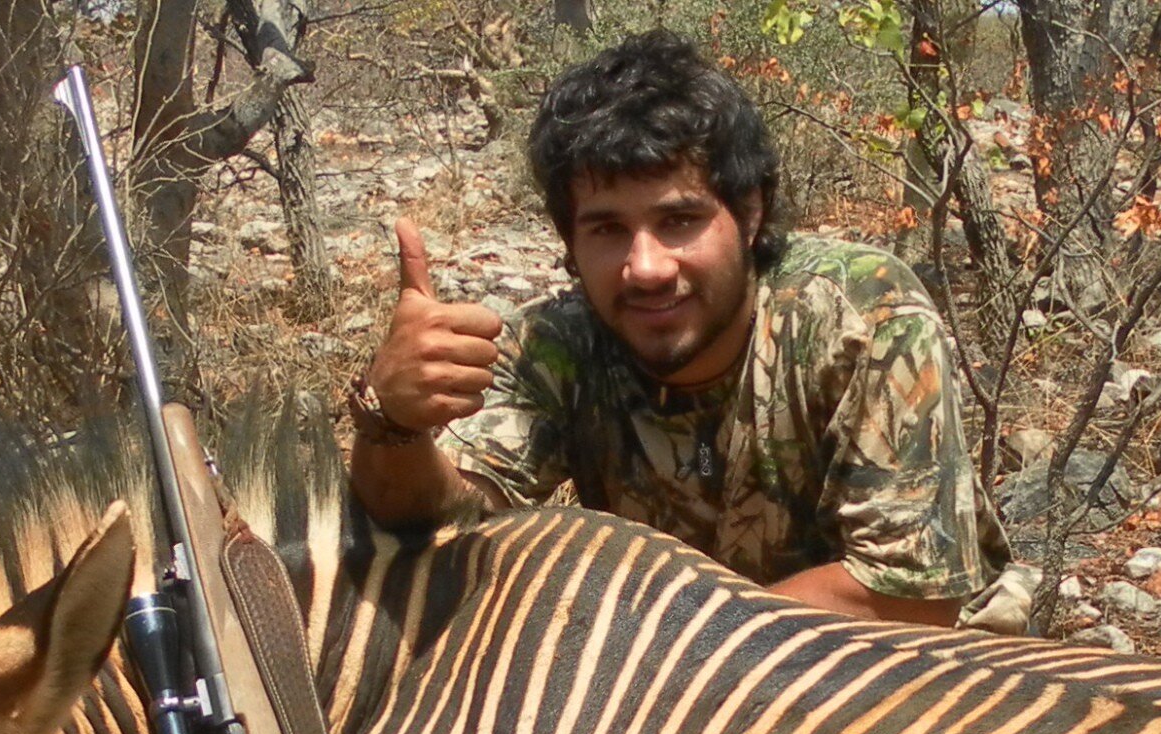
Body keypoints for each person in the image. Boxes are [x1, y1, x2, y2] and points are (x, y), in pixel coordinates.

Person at [346, 29, 1028, 629]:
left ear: (751, 213)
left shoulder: (862, 316)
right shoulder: (554, 347)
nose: (645, 268)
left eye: (679, 221)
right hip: (683, 697)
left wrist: (649, 643)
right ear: (569, 243)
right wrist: (392, 425)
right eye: (608, 229)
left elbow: (911, 600)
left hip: (905, 687)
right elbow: (440, 522)